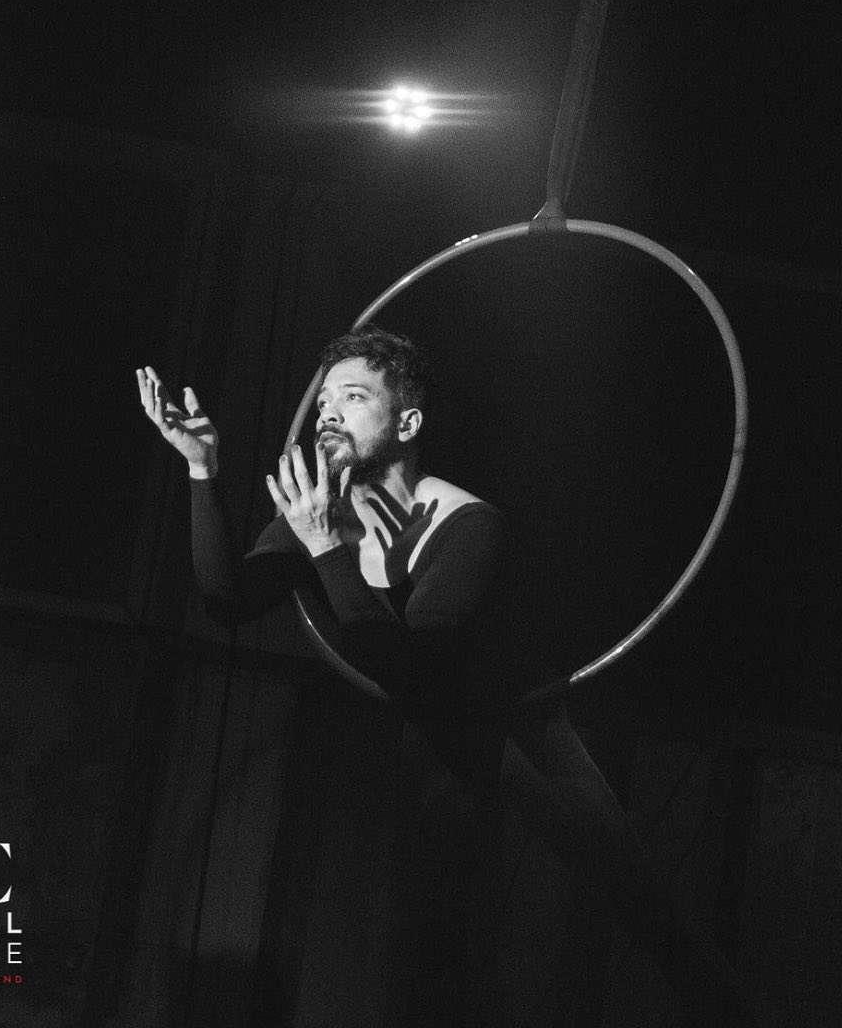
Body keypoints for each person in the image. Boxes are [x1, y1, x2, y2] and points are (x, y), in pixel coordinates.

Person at [136, 327, 765, 1027]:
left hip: (523, 738)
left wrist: (326, 549)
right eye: (323, 406)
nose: (329, 415)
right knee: (435, 942)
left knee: (641, 908)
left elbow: (415, 668)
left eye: (353, 398)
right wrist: (201, 469)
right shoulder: (323, 513)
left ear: (406, 422)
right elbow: (227, 600)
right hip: (444, 744)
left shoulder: (467, 523)